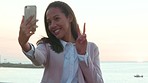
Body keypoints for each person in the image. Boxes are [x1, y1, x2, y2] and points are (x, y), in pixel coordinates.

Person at [18, 1, 104, 83]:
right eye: (49, 22)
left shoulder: (92, 48)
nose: (52, 25)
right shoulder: (47, 45)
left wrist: (82, 54)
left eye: (57, 19)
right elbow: (38, 59)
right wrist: (24, 44)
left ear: (69, 17)